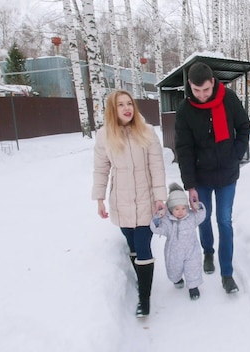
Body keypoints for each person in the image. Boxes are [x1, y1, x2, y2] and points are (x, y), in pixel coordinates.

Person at [174, 62, 250, 294]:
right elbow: (184, 148)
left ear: (213, 83)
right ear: (190, 86)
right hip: (202, 176)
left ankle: (227, 273)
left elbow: (244, 126)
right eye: (197, 91)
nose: (202, 96)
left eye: (206, 90)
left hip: (227, 174)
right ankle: (208, 251)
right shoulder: (185, 109)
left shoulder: (229, 98)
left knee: (224, 221)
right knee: (204, 219)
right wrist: (190, 185)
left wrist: (236, 154)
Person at [91, 89, 167, 318]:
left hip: (146, 201)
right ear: (113, 110)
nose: (126, 108)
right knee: (133, 247)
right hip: (121, 201)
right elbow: (101, 169)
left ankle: (144, 299)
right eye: (121, 105)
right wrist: (99, 199)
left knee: (143, 247)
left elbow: (157, 167)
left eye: (129, 104)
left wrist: (160, 197)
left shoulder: (147, 132)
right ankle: (140, 278)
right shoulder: (105, 136)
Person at [151, 183, 206, 300]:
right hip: (174, 253)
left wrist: (198, 206)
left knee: (193, 267)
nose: (180, 212)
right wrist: (157, 218)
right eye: (176, 209)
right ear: (171, 209)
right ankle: (177, 279)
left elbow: (201, 215)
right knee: (174, 269)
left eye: (183, 208)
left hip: (191, 250)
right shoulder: (168, 222)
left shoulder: (191, 217)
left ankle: (193, 287)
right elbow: (157, 229)